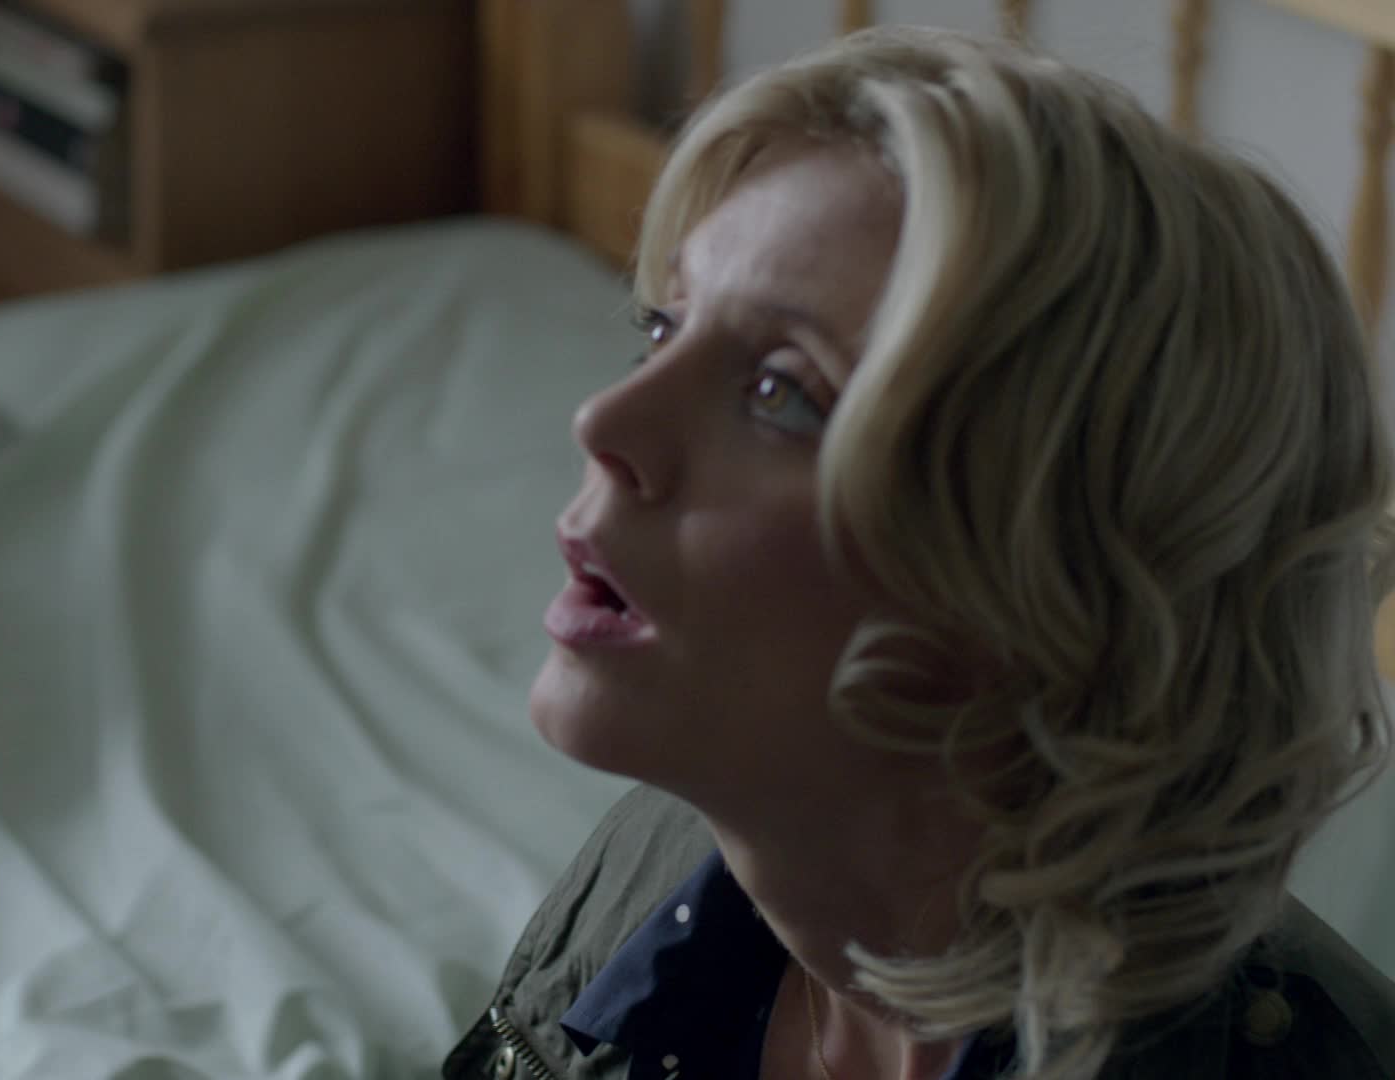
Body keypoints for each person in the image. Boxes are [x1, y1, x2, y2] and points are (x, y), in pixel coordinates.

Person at [443, 26, 1395, 1080]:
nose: (604, 420)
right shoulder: (664, 858)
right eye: (663, 330)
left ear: (1050, 589)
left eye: (780, 392)